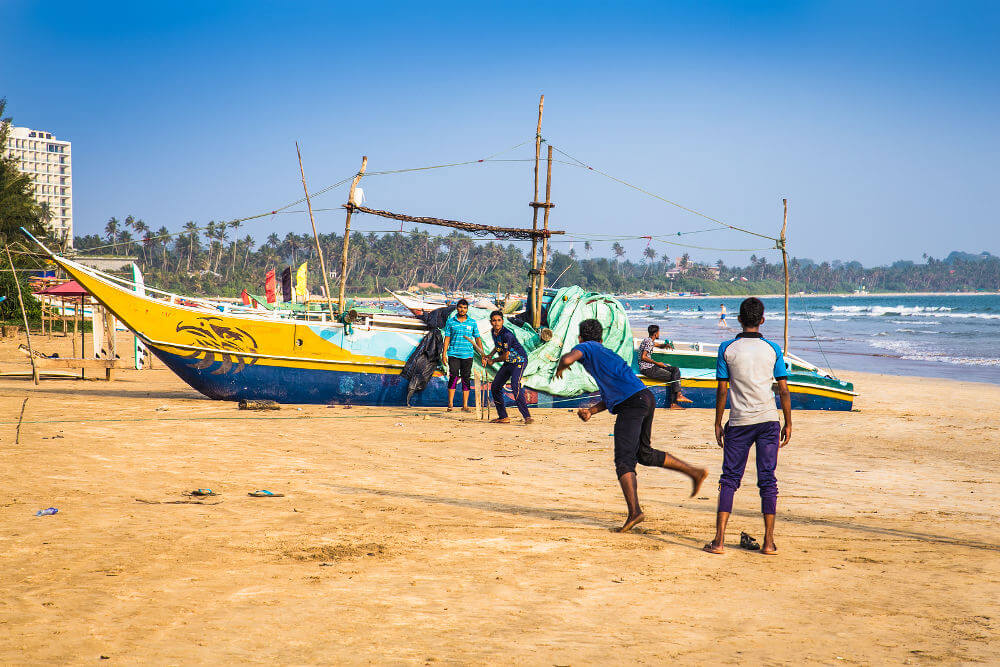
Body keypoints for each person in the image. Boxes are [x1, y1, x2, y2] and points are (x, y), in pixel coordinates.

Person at [556, 319, 708, 533]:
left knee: (624, 461)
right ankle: (694, 472)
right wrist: (591, 411)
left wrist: (562, 365)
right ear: (601, 339)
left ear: (581, 339)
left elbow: (569, 357)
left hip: (633, 404)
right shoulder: (609, 356)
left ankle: (635, 512)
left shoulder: (587, 346)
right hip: (645, 398)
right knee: (643, 454)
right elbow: (613, 396)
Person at [703, 297, 792, 556]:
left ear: (739, 319)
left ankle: (719, 541)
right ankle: (768, 542)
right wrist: (789, 421)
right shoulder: (772, 349)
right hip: (768, 421)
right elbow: (783, 390)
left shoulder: (727, 348)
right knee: (768, 479)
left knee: (730, 479)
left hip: (739, 422)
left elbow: (722, 389)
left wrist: (718, 421)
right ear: (762, 320)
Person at [471, 310, 533, 424]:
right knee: (495, 387)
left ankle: (527, 416)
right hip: (509, 363)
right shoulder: (494, 332)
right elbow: (498, 346)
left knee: (515, 385)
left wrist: (493, 360)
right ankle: (503, 416)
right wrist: (489, 355)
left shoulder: (506, 334)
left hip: (519, 361)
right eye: (494, 321)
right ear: (491, 322)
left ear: (502, 321)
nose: (496, 323)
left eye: (499, 320)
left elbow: (505, 355)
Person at [638, 324, 692, 409]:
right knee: (674, 376)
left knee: (675, 370)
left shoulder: (648, 340)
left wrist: (665, 345)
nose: (659, 334)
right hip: (648, 369)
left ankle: (678, 395)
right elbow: (643, 357)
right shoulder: (648, 342)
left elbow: (658, 345)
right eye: (659, 332)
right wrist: (657, 363)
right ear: (655, 333)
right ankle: (675, 402)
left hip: (650, 367)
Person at [441, 299, 481, 413]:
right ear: (457, 308)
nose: (462, 310)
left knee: (466, 378)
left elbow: (477, 338)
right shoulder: (451, 322)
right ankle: (450, 404)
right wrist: (444, 354)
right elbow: (447, 338)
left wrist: (483, 354)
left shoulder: (472, 322)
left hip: (468, 355)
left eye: (464, 308)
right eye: (460, 307)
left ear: (467, 309)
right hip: (453, 353)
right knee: (453, 376)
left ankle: (465, 405)